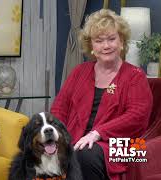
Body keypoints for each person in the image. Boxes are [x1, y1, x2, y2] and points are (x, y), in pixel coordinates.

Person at [51, 9, 152, 180]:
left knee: (85, 154)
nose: (106, 46)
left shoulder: (135, 76)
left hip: (129, 146)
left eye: (112, 39)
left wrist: (98, 132)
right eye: (99, 41)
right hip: (81, 140)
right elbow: (60, 107)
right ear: (91, 46)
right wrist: (56, 134)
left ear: (122, 42)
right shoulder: (80, 72)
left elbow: (137, 116)